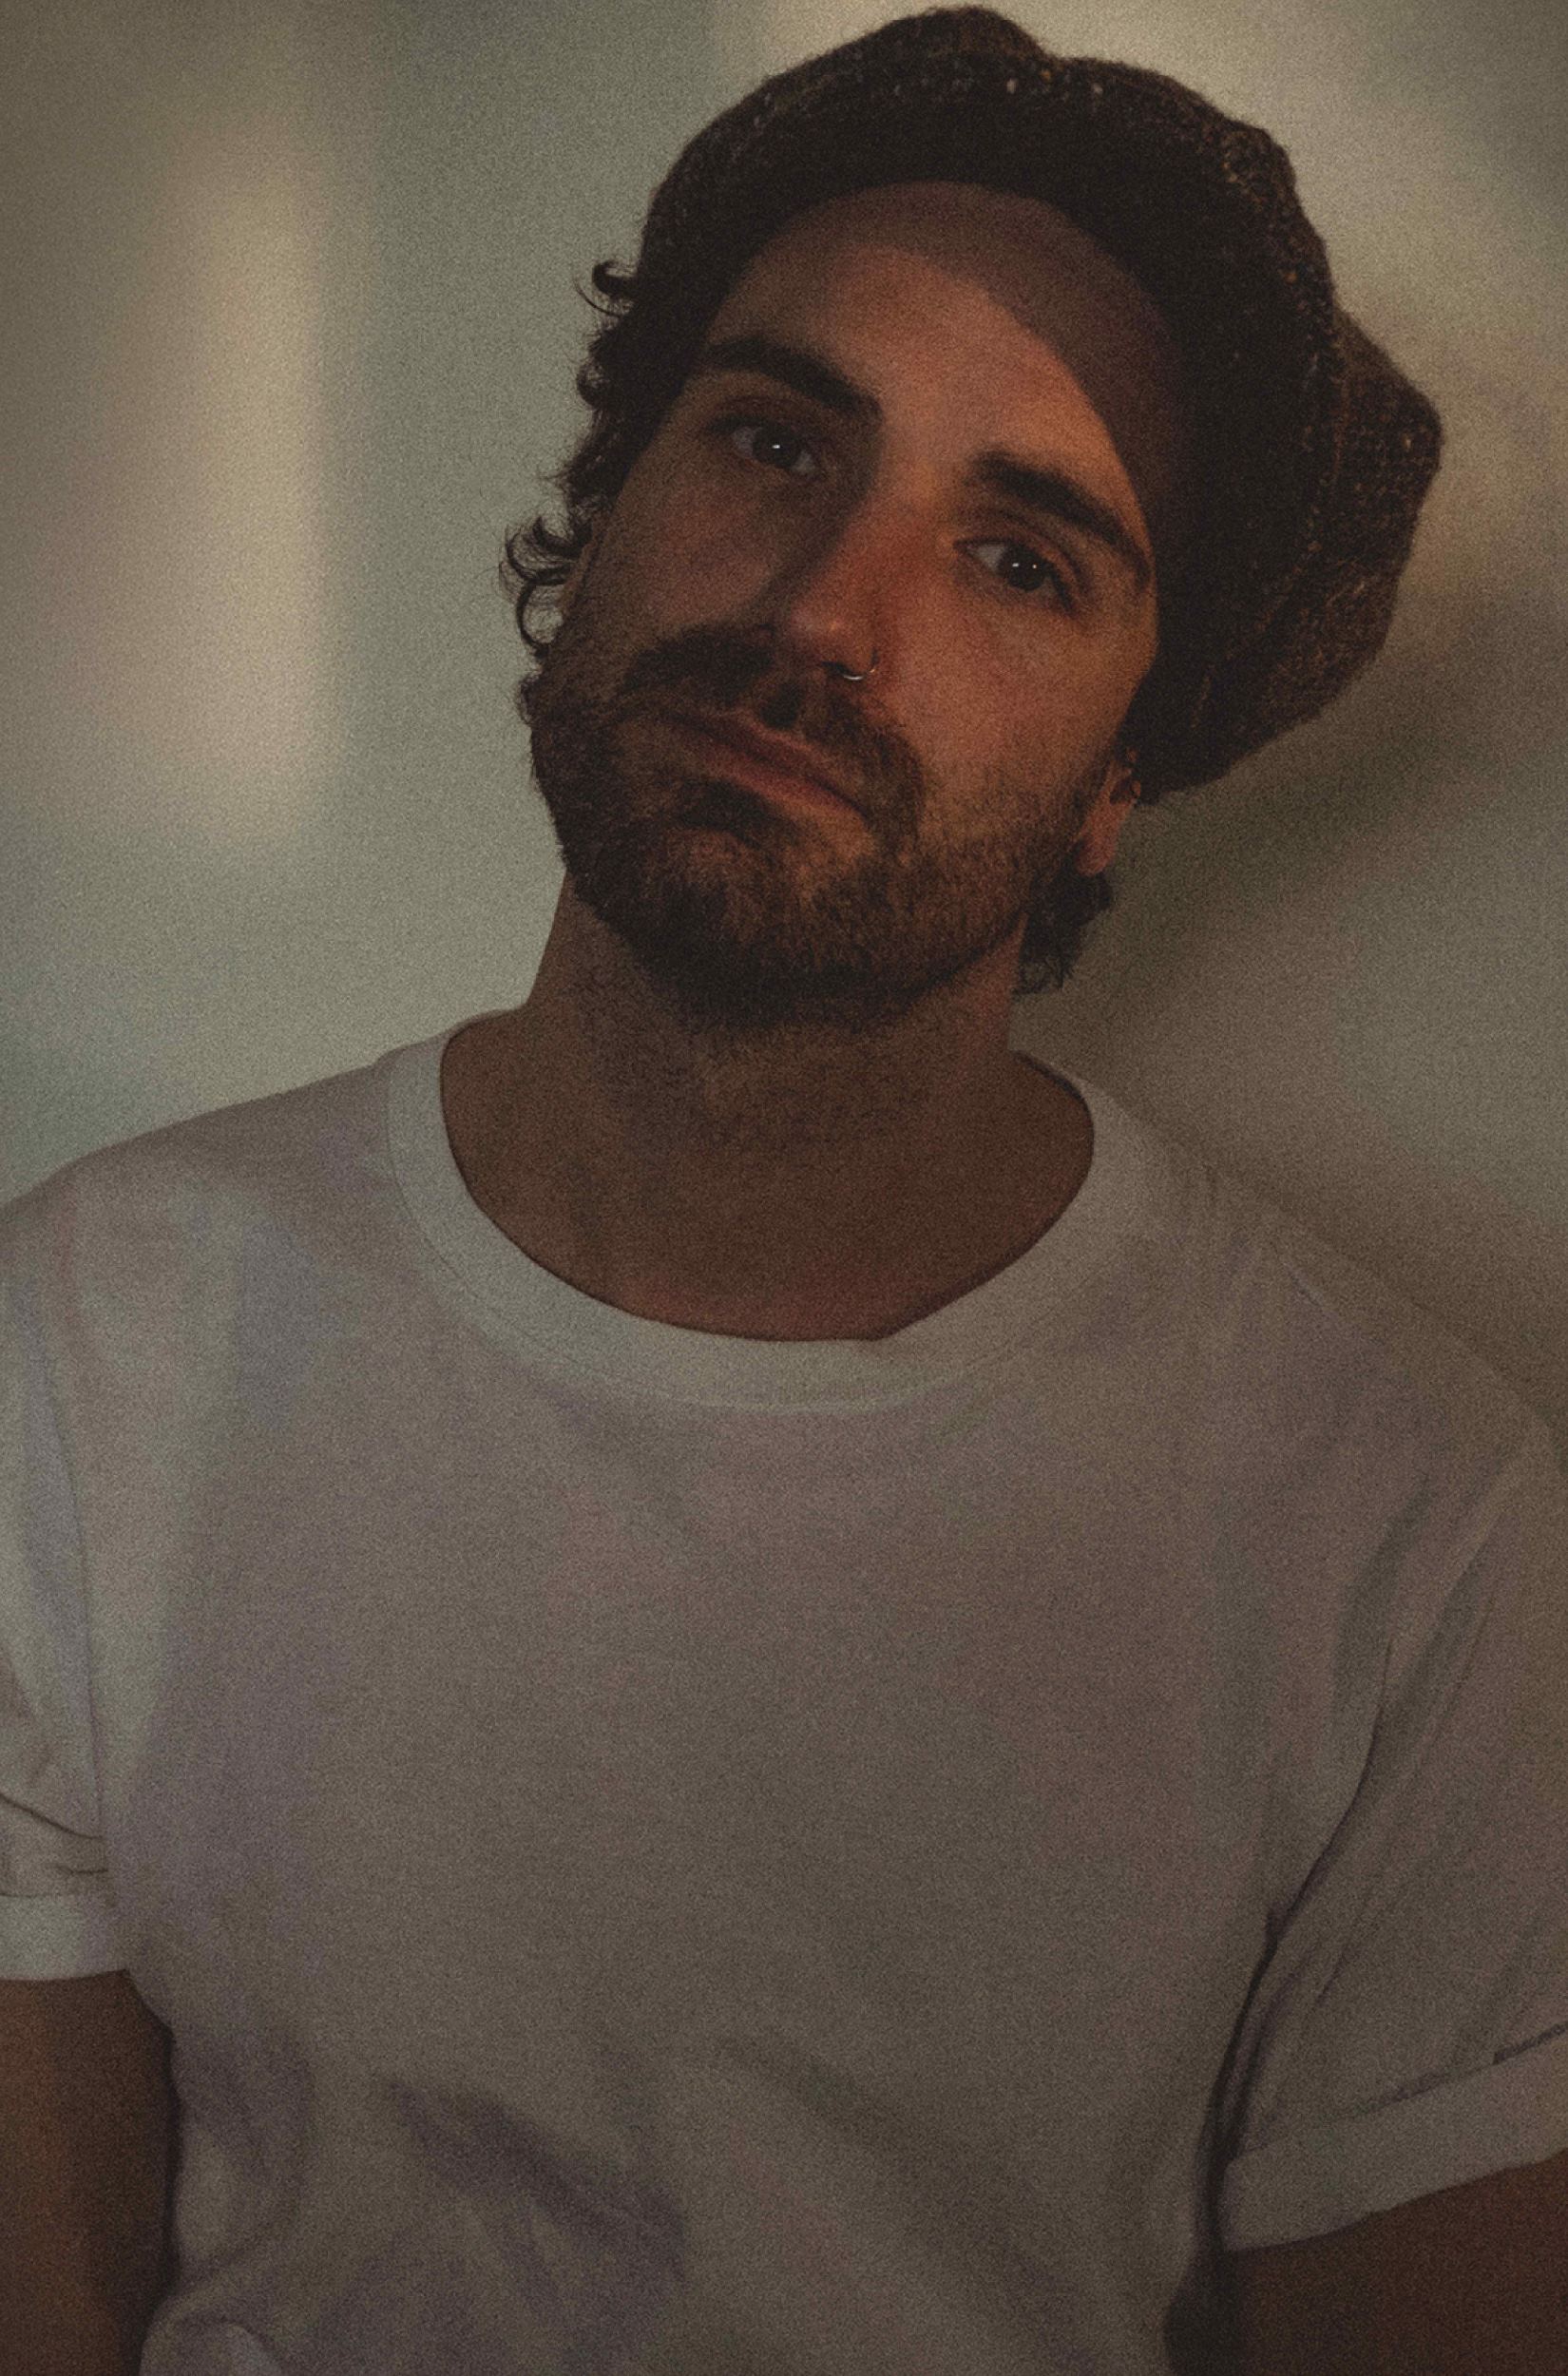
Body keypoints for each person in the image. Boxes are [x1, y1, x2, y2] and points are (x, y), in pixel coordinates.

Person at [4, 10, 1567, 2372]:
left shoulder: (1409, 1541)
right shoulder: (86, 1348)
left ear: (1124, 778)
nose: (831, 610)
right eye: (770, 439)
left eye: (1020, 556)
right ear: (612, 502)